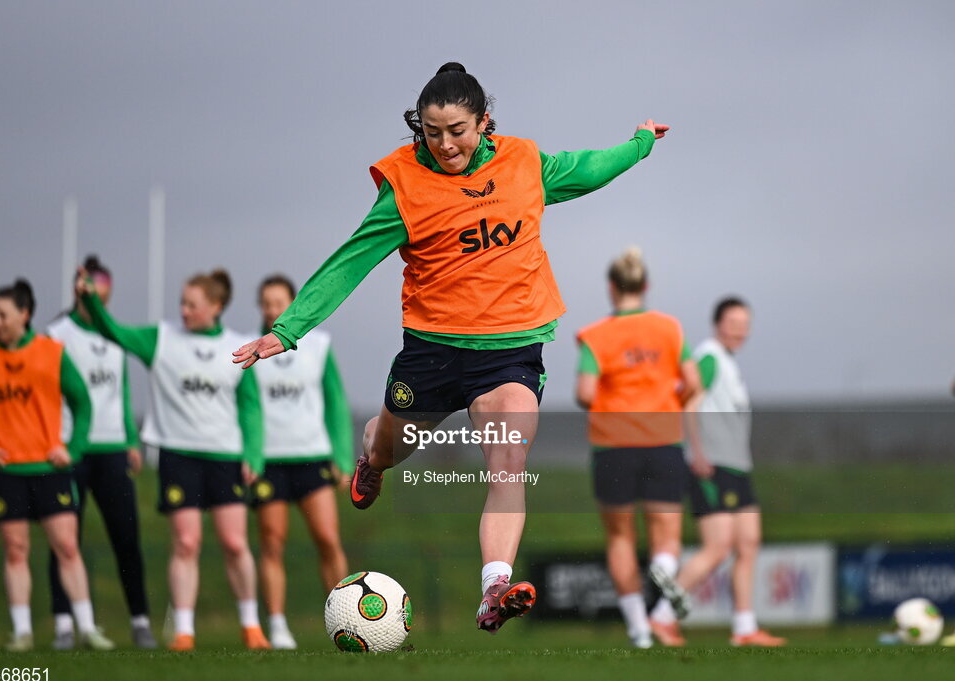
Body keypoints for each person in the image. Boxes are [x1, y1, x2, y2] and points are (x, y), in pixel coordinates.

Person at [233, 62, 669, 634]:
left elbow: (586, 169)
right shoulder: (406, 186)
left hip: (509, 352)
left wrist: (638, 144)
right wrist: (288, 329)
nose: (444, 144)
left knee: (508, 458)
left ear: (484, 122)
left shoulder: (523, 164)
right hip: (433, 353)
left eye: (457, 130)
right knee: (391, 446)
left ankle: (494, 585)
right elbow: (351, 260)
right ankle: (372, 457)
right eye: (432, 132)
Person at [76, 267, 269, 651]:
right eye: (181, 302)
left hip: (225, 457)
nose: (183, 310)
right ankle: (183, 630)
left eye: (192, 304)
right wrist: (93, 303)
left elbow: (251, 408)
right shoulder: (161, 340)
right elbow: (114, 331)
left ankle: (251, 626)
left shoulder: (238, 345)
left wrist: (254, 454)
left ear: (215, 306)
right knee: (186, 542)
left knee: (234, 542)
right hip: (178, 456)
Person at [0, 278, 115, 651]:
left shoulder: (52, 353)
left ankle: (87, 628)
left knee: (67, 547)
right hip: (7, 473)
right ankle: (22, 633)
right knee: (16, 551)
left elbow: (82, 402)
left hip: (49, 469)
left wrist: (74, 448)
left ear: (25, 314)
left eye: (3, 314)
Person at [575, 248, 700, 648]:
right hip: (663, 441)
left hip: (614, 446)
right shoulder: (670, 329)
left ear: (611, 288)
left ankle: (638, 631)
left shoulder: (596, 335)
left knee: (621, 539)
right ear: (645, 286)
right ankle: (662, 570)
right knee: (667, 536)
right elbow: (694, 382)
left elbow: (584, 393)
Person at [648, 297, 786, 647]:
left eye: (745, 323)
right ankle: (662, 617)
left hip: (738, 466)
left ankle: (744, 628)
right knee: (719, 547)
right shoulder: (709, 356)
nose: (740, 330)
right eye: (733, 322)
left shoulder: (728, 362)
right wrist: (697, 451)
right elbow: (689, 401)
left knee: (749, 543)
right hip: (713, 465)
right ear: (717, 324)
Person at [46, 255, 155, 649]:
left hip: (112, 450)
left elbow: (121, 390)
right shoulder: (56, 334)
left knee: (127, 538)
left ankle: (140, 622)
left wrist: (131, 439)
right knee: (63, 541)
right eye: (90, 284)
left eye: (103, 283)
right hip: (68, 451)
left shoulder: (114, 337)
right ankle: (64, 625)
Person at [249, 274, 352, 649]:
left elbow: (336, 404)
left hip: (313, 457)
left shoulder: (318, 346)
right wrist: (250, 457)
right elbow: (245, 409)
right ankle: (277, 625)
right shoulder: (249, 350)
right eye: (265, 302)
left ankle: (345, 619)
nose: (271, 309)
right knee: (272, 543)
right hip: (269, 463)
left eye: (278, 302)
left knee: (327, 539)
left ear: (293, 303)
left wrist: (342, 458)